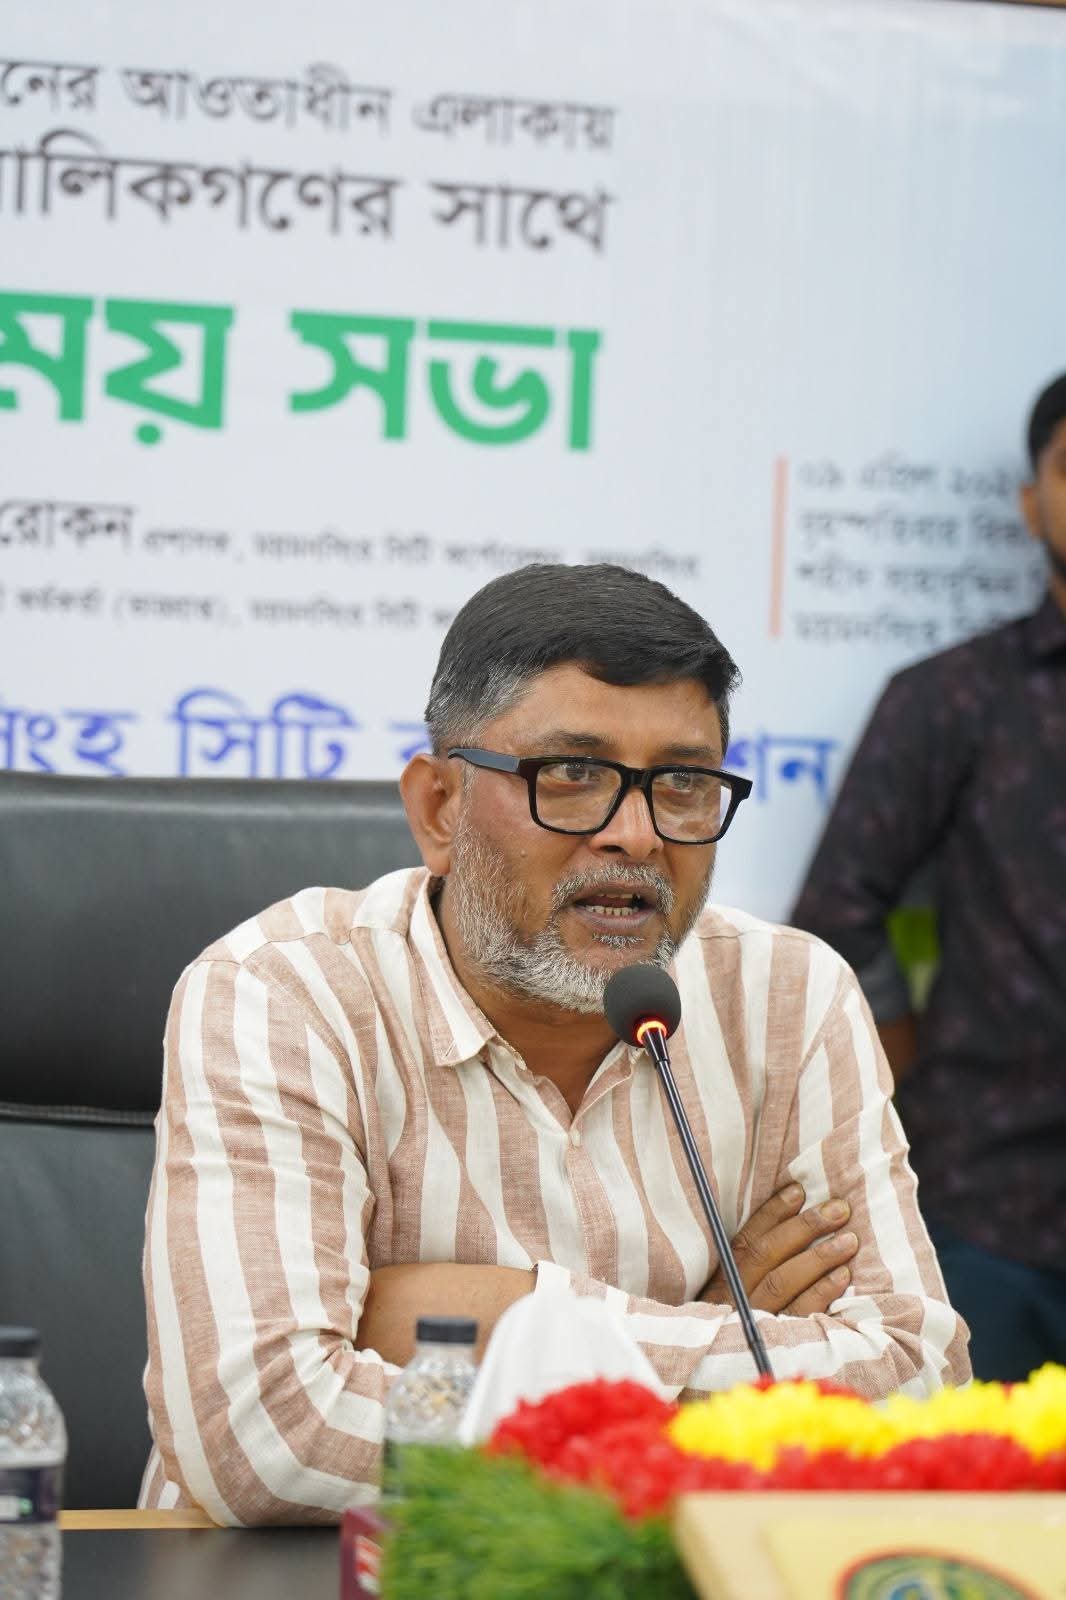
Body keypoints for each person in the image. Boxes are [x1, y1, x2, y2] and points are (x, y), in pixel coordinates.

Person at [140, 563, 968, 1525]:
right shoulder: (285, 992)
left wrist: (515, 1317)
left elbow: (921, 1389)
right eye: (573, 775)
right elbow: (266, 1435)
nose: (637, 836)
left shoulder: (792, 996)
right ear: (440, 808)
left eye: (683, 783)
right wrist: (713, 1338)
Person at [792, 374, 1066, 1383]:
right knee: (963, 1480)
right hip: (992, 1203)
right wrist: (896, 1068)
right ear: (1031, 503)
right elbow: (836, 912)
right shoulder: (956, 696)